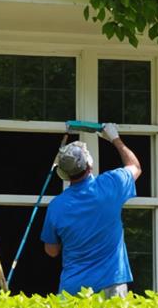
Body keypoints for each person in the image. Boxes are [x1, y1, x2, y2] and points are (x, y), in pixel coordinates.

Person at [41, 122, 142, 298]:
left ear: (64, 174)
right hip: (111, 284)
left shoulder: (57, 206)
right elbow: (135, 167)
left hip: (72, 289)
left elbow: (52, 251)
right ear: (89, 164)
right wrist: (114, 138)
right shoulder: (110, 184)